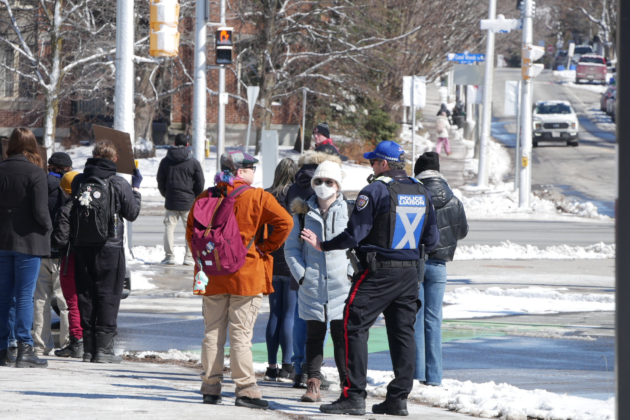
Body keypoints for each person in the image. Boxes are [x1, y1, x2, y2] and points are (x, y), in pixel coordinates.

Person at [302, 140, 439, 416]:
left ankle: (353, 395)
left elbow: (355, 234)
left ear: (384, 164)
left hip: (378, 272)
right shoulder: (421, 191)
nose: (371, 167)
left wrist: (324, 245)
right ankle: (398, 398)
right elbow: (432, 239)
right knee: (403, 334)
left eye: (373, 162)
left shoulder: (375, 190)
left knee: (353, 324)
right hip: (410, 274)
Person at [187, 151, 293, 409]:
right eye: (251, 168)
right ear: (240, 172)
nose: (254, 173)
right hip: (246, 275)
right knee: (241, 335)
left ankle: (210, 387)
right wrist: (266, 247)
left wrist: (205, 260)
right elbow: (286, 222)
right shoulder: (257, 197)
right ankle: (246, 389)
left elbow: (192, 233)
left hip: (211, 275)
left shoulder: (205, 197)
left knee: (212, 332)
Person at [285, 160, 351, 403]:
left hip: (341, 287)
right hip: (312, 286)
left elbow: (358, 246)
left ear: (337, 185)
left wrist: (350, 274)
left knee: (342, 338)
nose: (324, 186)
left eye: (329, 182)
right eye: (319, 182)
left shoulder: (349, 211)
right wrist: (303, 275)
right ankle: (313, 383)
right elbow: (290, 249)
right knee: (313, 337)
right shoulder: (302, 214)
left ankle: (347, 387)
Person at [71, 140, 142, 363]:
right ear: (114, 159)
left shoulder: (79, 180)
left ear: (93, 156)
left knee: (86, 294)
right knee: (108, 295)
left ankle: (89, 348)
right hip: (109, 247)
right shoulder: (119, 183)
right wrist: (136, 188)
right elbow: (132, 214)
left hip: (82, 246)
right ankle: (104, 350)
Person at [413, 152, 468, 387]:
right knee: (434, 320)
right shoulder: (454, 199)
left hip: (415, 264)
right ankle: (434, 376)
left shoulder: (413, 196)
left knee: (415, 317)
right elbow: (462, 231)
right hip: (439, 265)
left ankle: (417, 374)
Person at [0, 127, 52, 368]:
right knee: (24, 295)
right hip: (29, 241)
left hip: (3, 240)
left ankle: (3, 348)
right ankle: (24, 349)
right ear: (32, 146)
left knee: (4, 296)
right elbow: (41, 213)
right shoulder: (36, 173)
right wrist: (49, 228)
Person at [32, 151, 73, 356]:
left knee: (41, 300)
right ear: (65, 169)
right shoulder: (68, 189)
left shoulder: (38, 186)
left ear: (50, 166)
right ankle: (67, 343)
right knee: (64, 300)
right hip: (61, 253)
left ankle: (41, 345)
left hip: (40, 250)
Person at [263, 158, 298, 383]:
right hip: (292, 262)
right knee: (289, 314)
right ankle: (288, 365)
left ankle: (271, 366)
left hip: (271, 260)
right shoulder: (298, 198)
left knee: (274, 313)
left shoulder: (266, 195)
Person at [157, 133, 205, 265]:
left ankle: (169, 256)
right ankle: (188, 257)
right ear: (187, 145)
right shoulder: (193, 162)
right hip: (189, 202)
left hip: (171, 201)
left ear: (174, 144)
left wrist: (166, 195)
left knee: (169, 228)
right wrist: (195, 197)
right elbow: (200, 182)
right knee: (191, 230)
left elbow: (160, 181)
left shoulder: (165, 161)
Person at [51, 171, 84, 358]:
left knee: (72, 302)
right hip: (89, 260)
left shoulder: (66, 210)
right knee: (86, 301)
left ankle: (76, 342)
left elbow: (61, 240)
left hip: (70, 260)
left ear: (65, 191)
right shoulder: (90, 207)